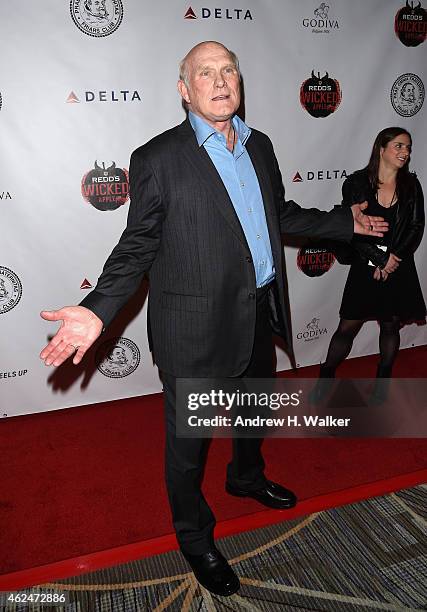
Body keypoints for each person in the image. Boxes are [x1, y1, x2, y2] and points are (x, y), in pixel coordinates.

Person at [39, 41, 388, 596]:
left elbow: (279, 214)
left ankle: (246, 477)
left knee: (254, 409)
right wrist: (98, 310)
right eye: (206, 72)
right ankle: (194, 536)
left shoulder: (260, 145)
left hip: (256, 311)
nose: (221, 80)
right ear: (184, 89)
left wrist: (343, 223)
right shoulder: (158, 159)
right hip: (194, 331)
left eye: (229, 70)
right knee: (188, 446)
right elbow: (137, 246)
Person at [318, 127, 425, 397]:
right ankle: (326, 375)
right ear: (382, 148)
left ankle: (383, 379)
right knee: (347, 327)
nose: (405, 152)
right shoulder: (356, 183)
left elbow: (416, 226)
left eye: (408, 147)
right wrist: (379, 258)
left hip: (398, 264)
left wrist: (392, 259)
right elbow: (350, 229)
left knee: (390, 325)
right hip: (366, 261)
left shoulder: (411, 185)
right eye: (399, 146)